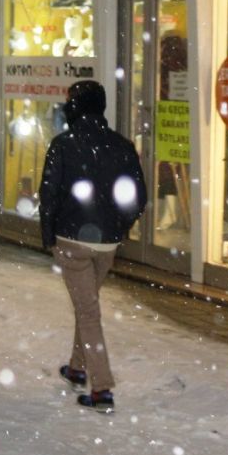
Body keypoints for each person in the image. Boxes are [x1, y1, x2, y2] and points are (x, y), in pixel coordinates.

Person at [37, 79, 147, 411]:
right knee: (88, 306)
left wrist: (48, 235)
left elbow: (49, 195)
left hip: (72, 240)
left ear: (76, 107)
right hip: (107, 244)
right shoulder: (122, 146)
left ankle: (102, 390)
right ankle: (76, 368)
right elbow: (137, 198)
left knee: (87, 311)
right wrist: (119, 227)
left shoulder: (63, 144)